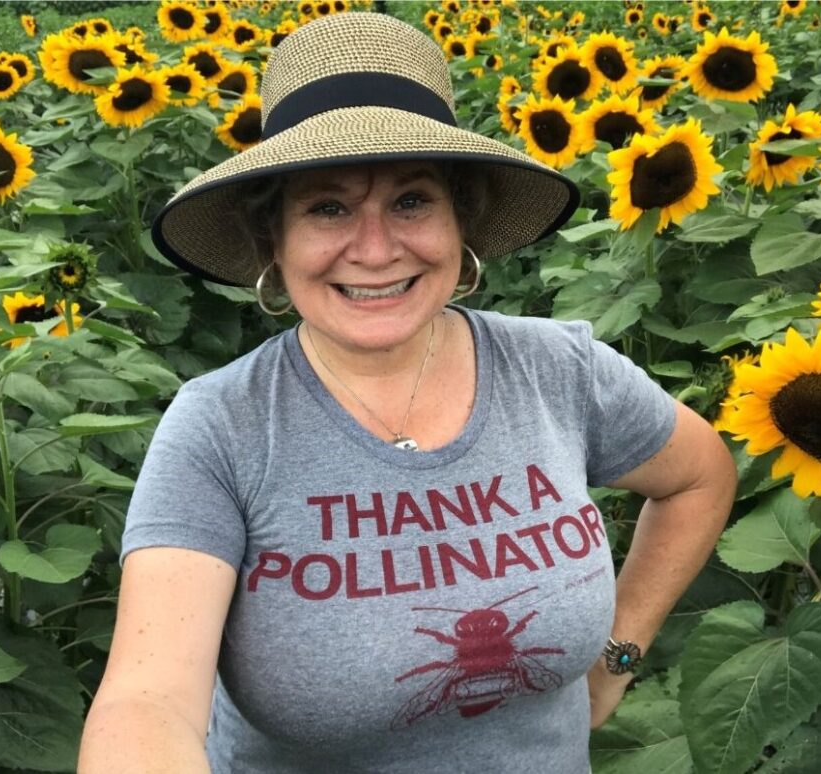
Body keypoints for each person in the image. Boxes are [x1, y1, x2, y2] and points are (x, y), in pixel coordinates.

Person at [78, 12, 736, 774]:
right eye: (328, 207)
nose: (376, 248)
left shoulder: (559, 370)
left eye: (412, 201)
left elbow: (699, 475)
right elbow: (148, 701)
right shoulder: (223, 427)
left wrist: (617, 654)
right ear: (273, 241)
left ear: (461, 221)